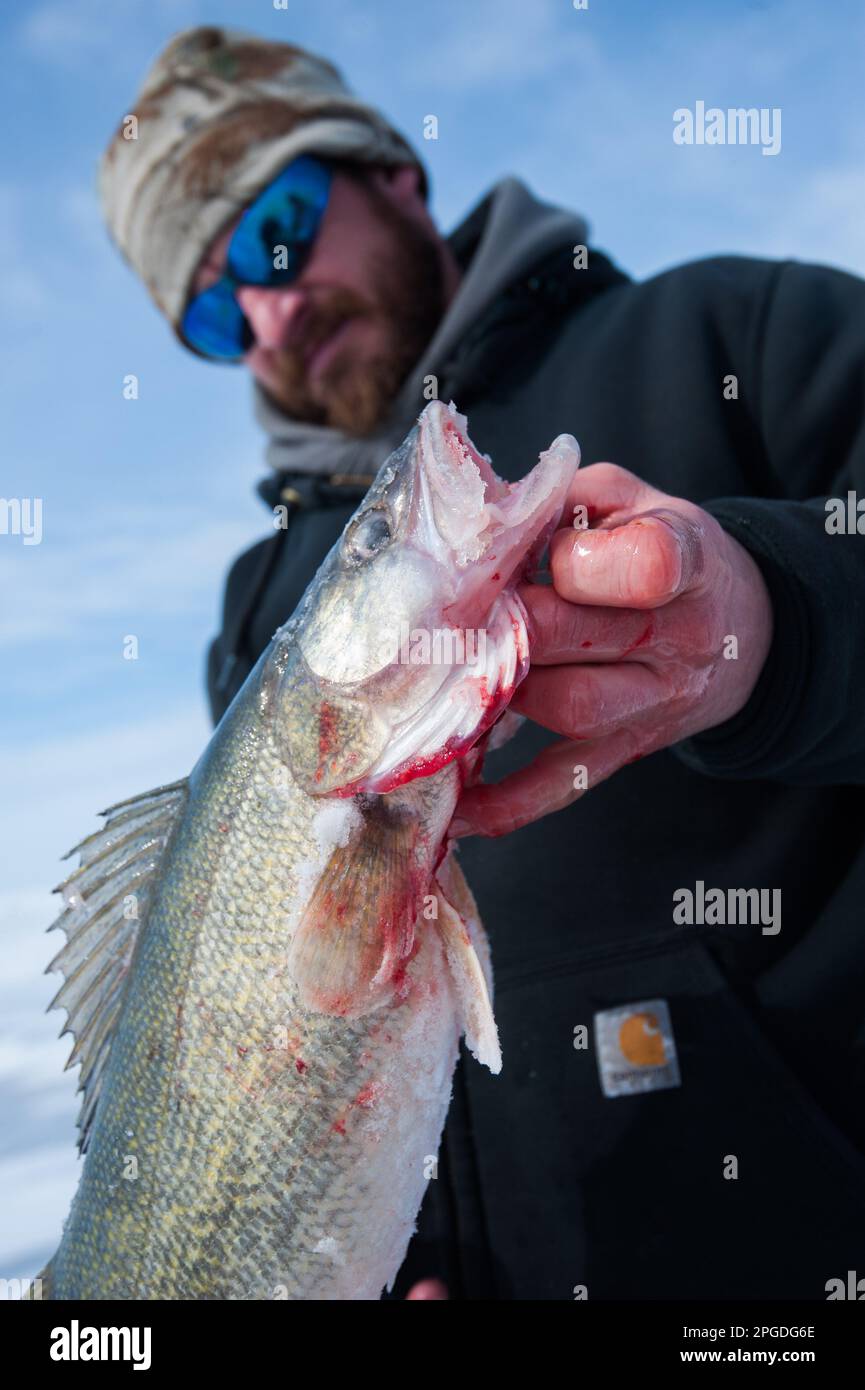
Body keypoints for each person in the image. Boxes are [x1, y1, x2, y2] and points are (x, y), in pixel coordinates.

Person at [100, 26, 865, 1301]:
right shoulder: (257, 614)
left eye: (271, 236)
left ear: (390, 171)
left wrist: (778, 624)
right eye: (214, 312)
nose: (270, 307)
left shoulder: (737, 335)